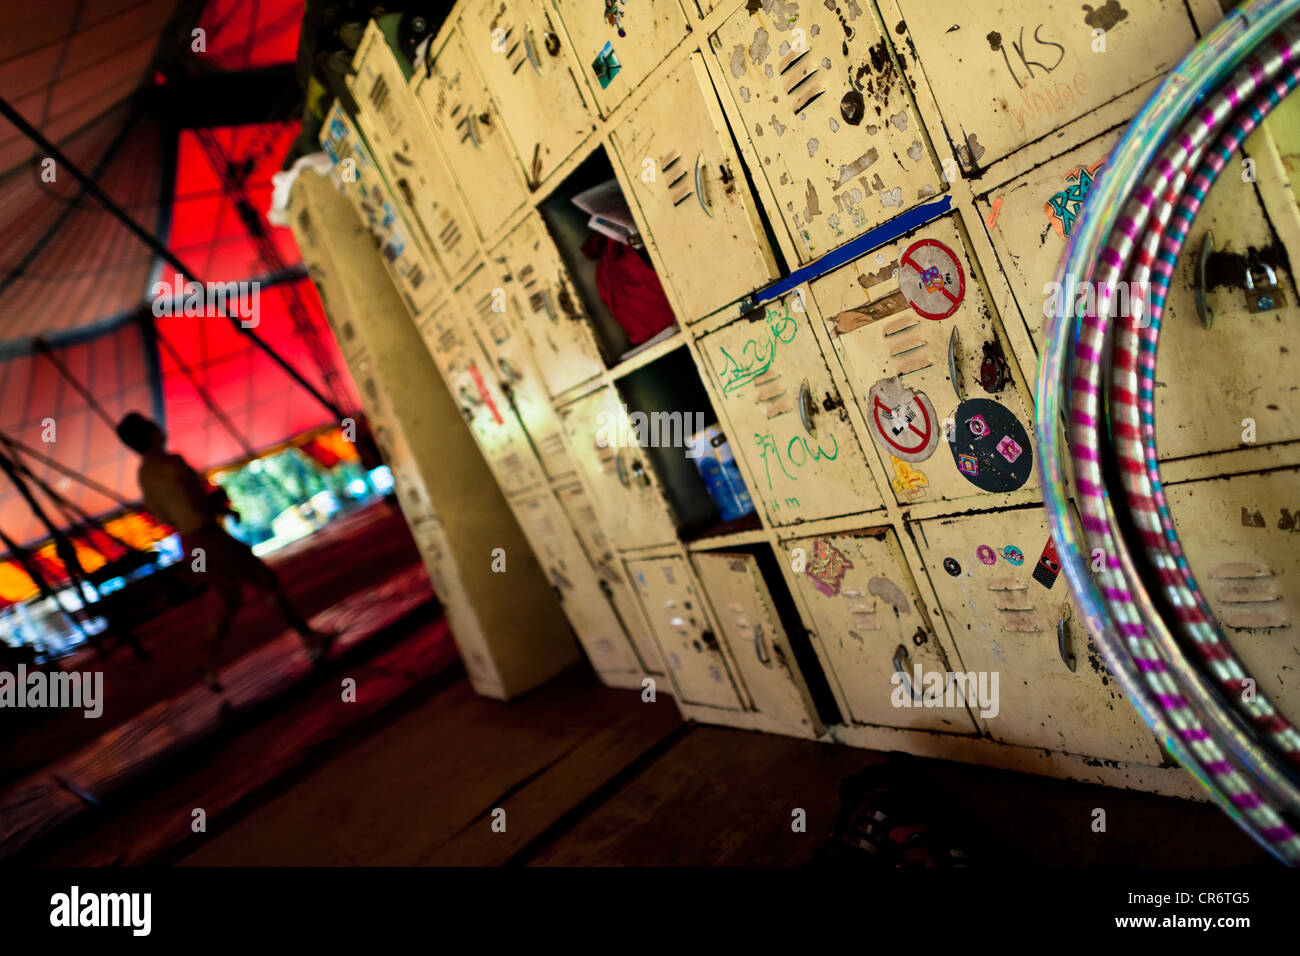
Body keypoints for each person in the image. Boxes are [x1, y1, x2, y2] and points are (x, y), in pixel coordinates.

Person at [115, 412, 334, 692]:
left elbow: (164, 515)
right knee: (266, 581)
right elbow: (195, 501)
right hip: (208, 537)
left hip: (190, 545)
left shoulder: (144, 476)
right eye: (153, 426)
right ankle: (309, 637)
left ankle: (208, 663)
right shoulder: (172, 463)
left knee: (229, 599)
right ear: (150, 434)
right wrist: (222, 509)